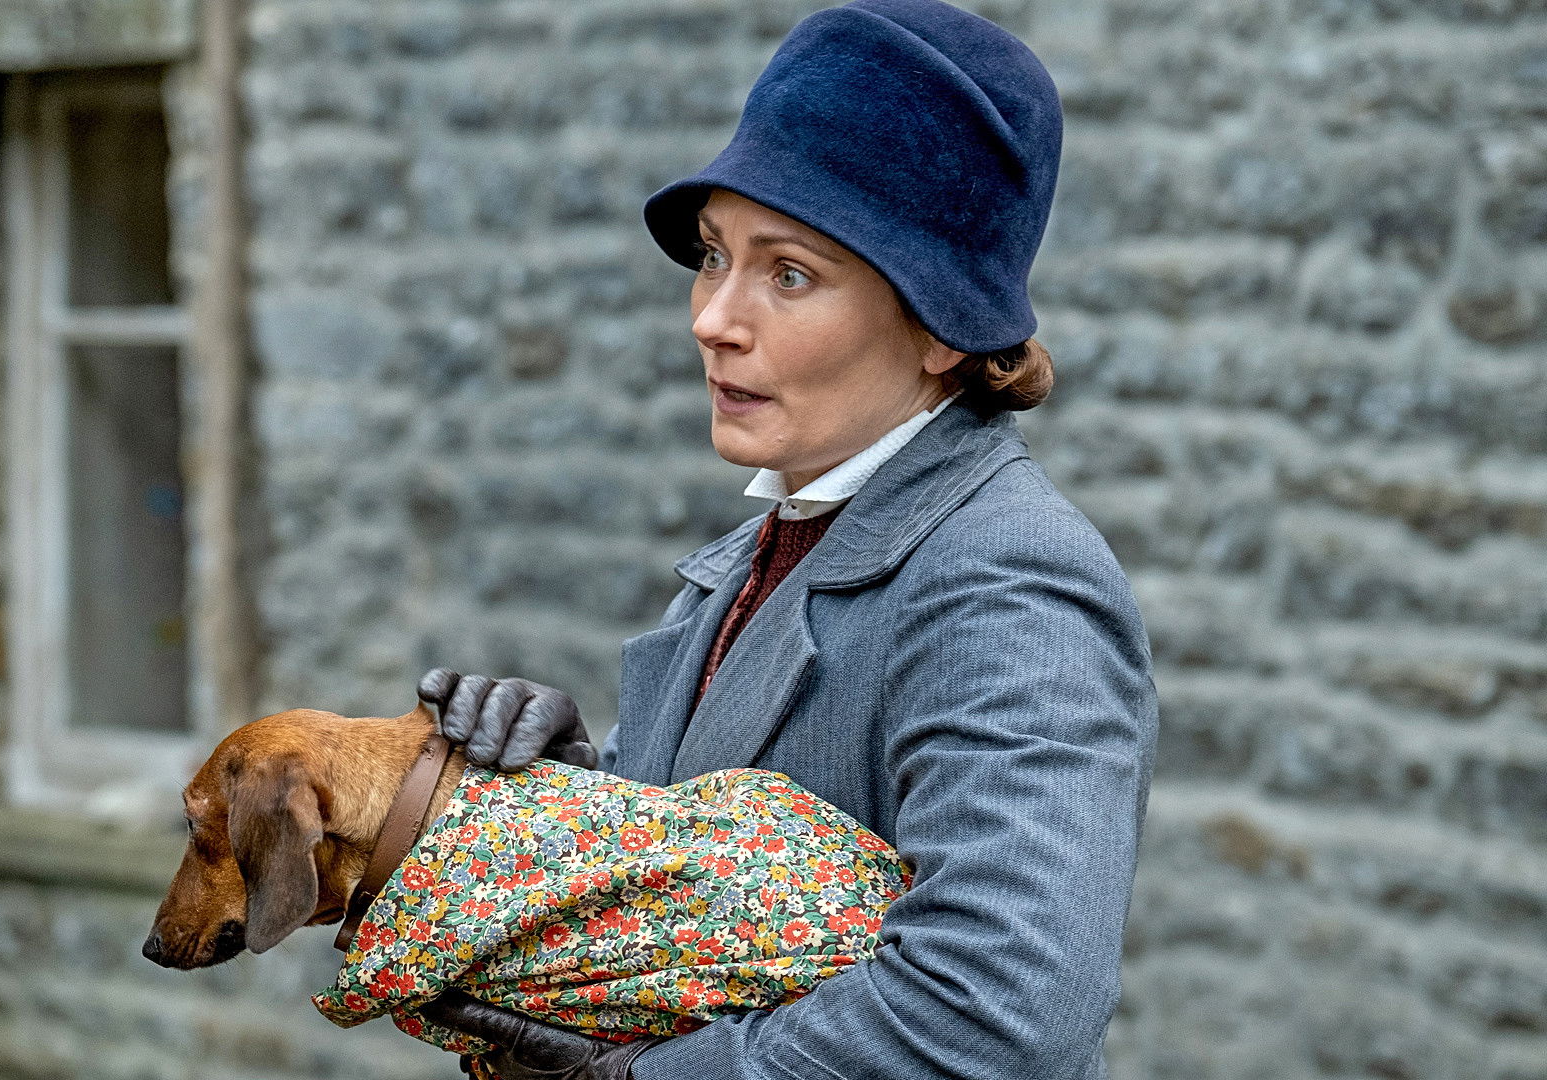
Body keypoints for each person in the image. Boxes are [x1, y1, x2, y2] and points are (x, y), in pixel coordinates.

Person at [413, 2, 1160, 1078]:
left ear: (942, 327)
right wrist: (582, 796)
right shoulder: (765, 553)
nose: (713, 319)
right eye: (714, 257)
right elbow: (709, 903)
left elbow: (1002, 1013)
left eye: (789, 273)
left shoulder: (1007, 579)